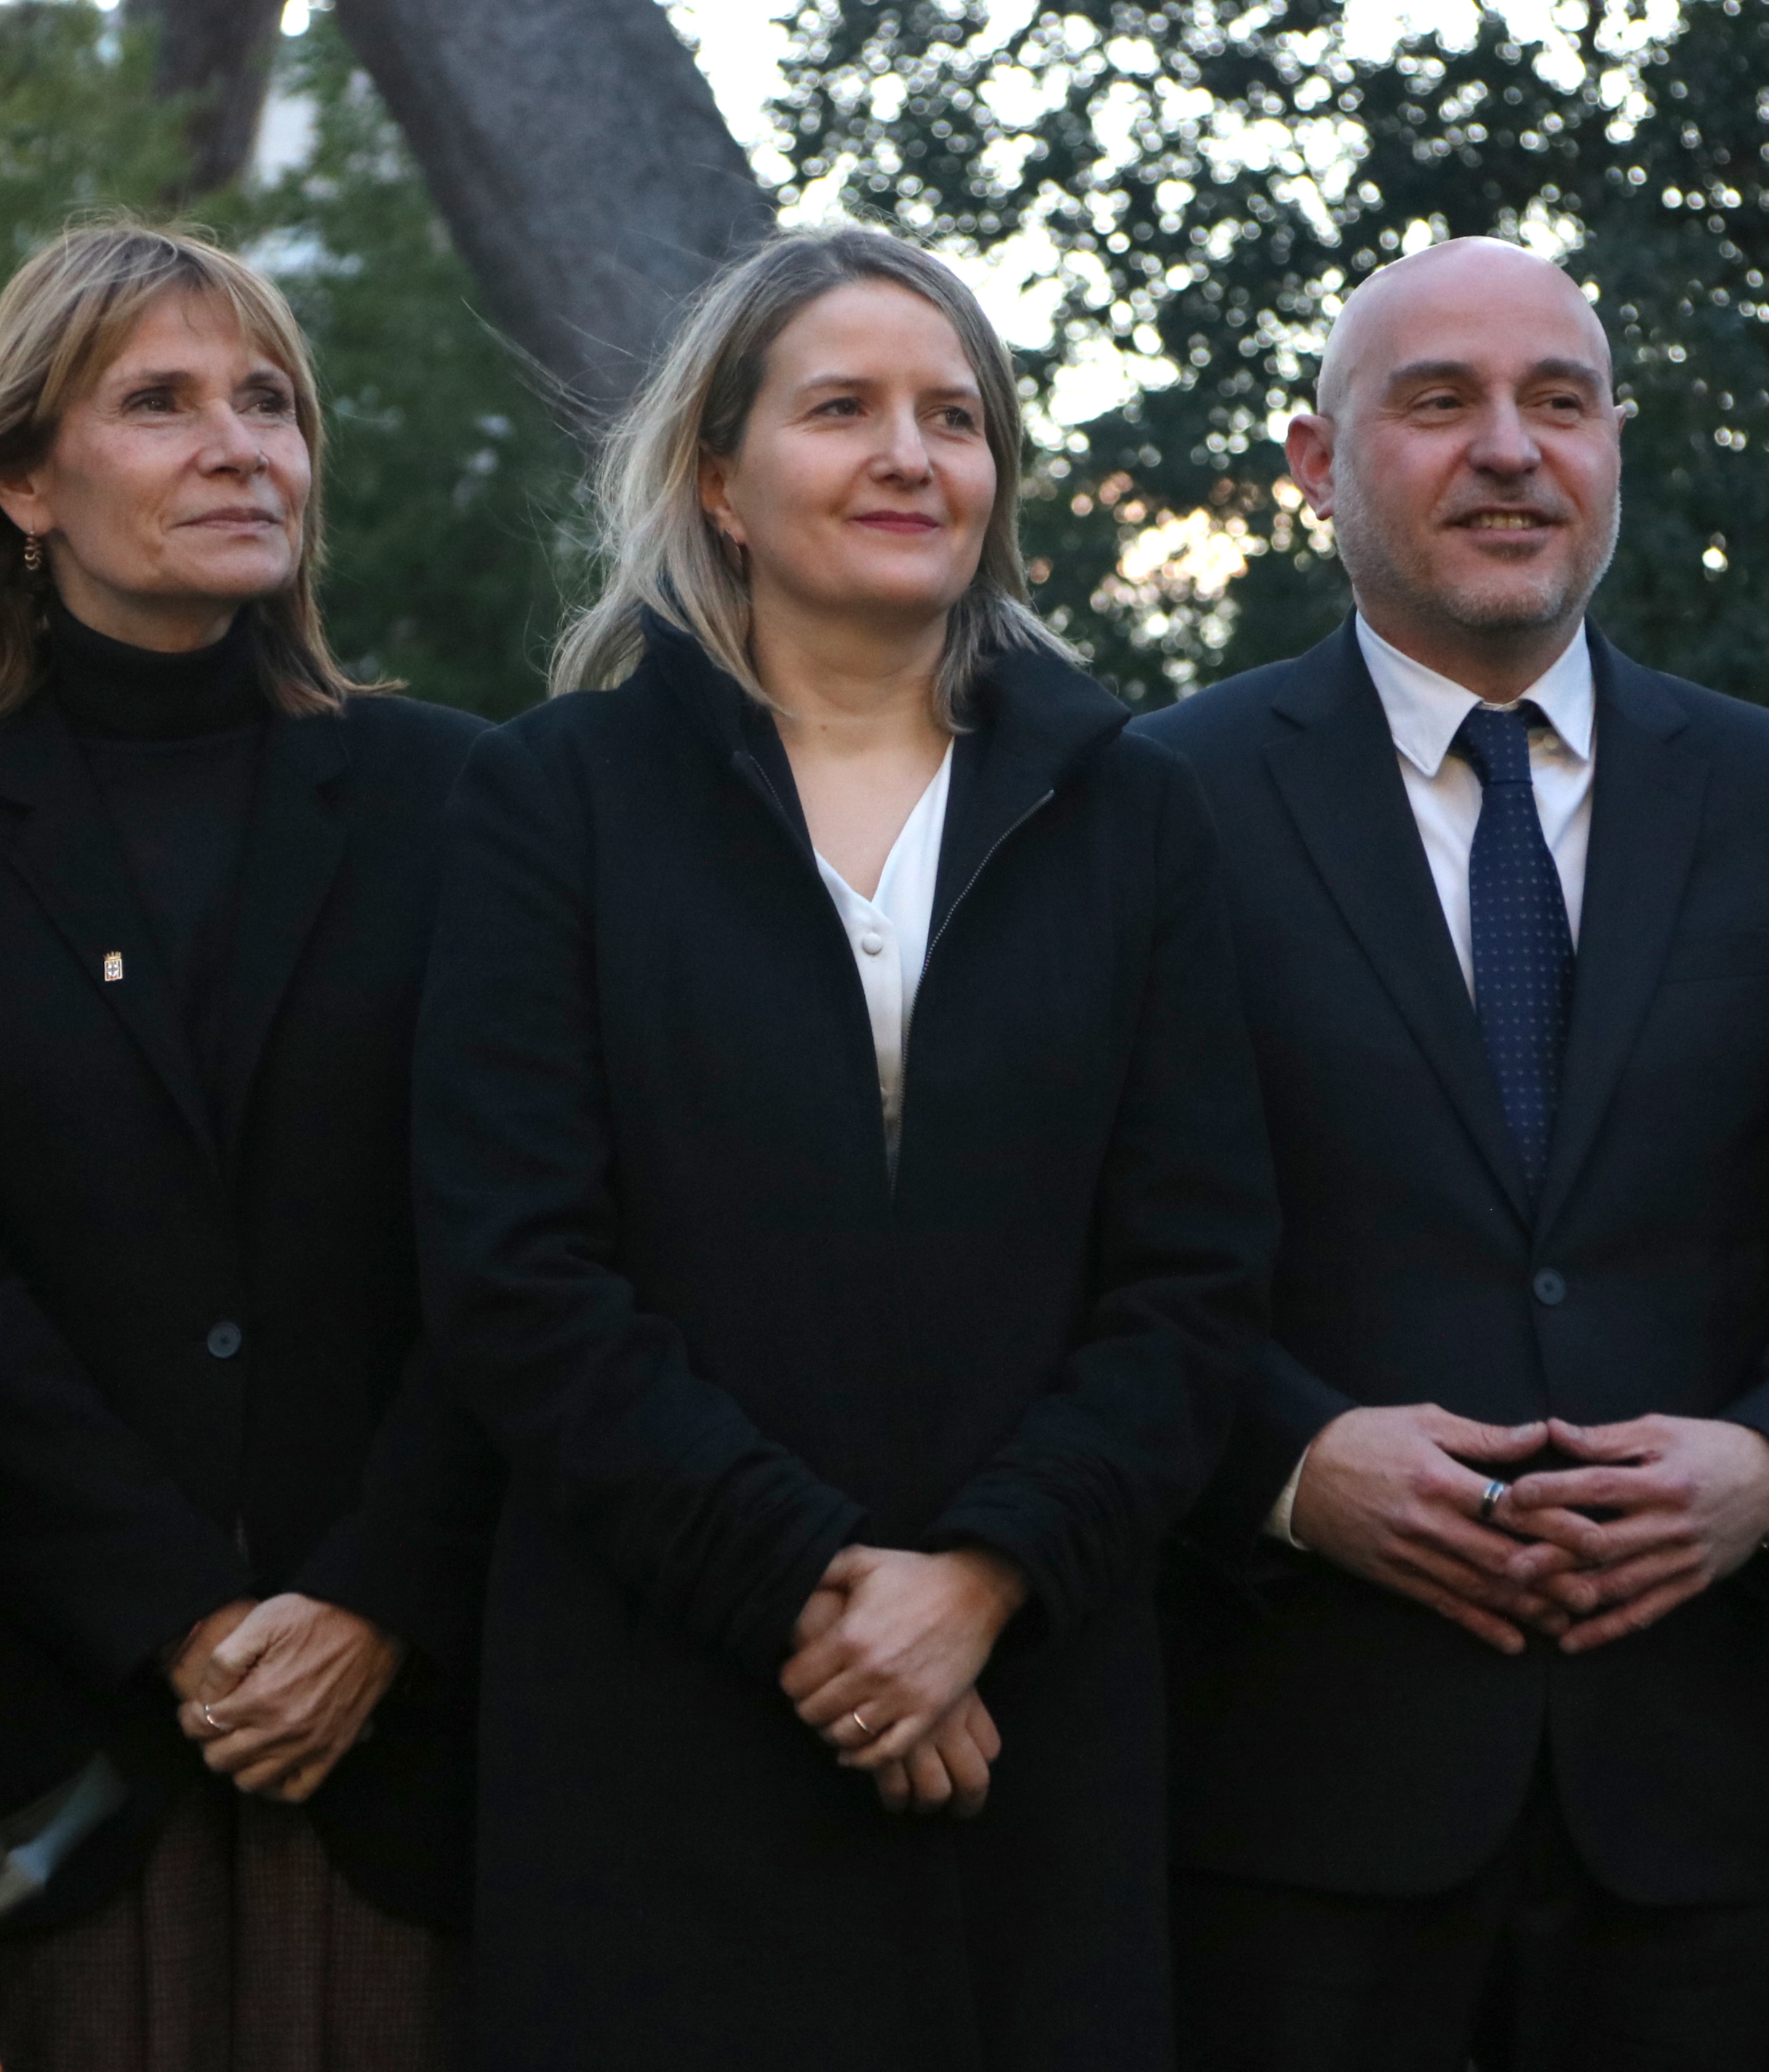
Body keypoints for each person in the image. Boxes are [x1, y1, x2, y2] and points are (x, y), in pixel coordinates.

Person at [410, 224, 1275, 2070]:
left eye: (954, 417)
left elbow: (1194, 1281)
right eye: (843, 409)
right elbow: (518, 1273)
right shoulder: (549, 799)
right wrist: (824, 1589)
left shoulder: (1135, 815)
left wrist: (980, 1583)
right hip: (661, 1720)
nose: (909, 454)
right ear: (718, 480)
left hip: (1035, 1725)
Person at [1133, 237, 1769, 2071]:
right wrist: (1289, 1466)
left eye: (1559, 401)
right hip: (1294, 1790)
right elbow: (1095, 1237)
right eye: (1438, 401)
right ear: (1315, 466)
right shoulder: (1160, 800)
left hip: (1702, 1800)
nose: (1508, 448)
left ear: (1614, 449)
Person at [0, 222, 493, 2072]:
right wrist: (180, 1613)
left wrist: (373, 1598)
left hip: (410, 1746)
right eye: (162, 402)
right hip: (50, 1745)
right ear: (27, 480)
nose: (239, 445)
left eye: (269, 402)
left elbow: (521, 1236)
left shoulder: (461, 793)